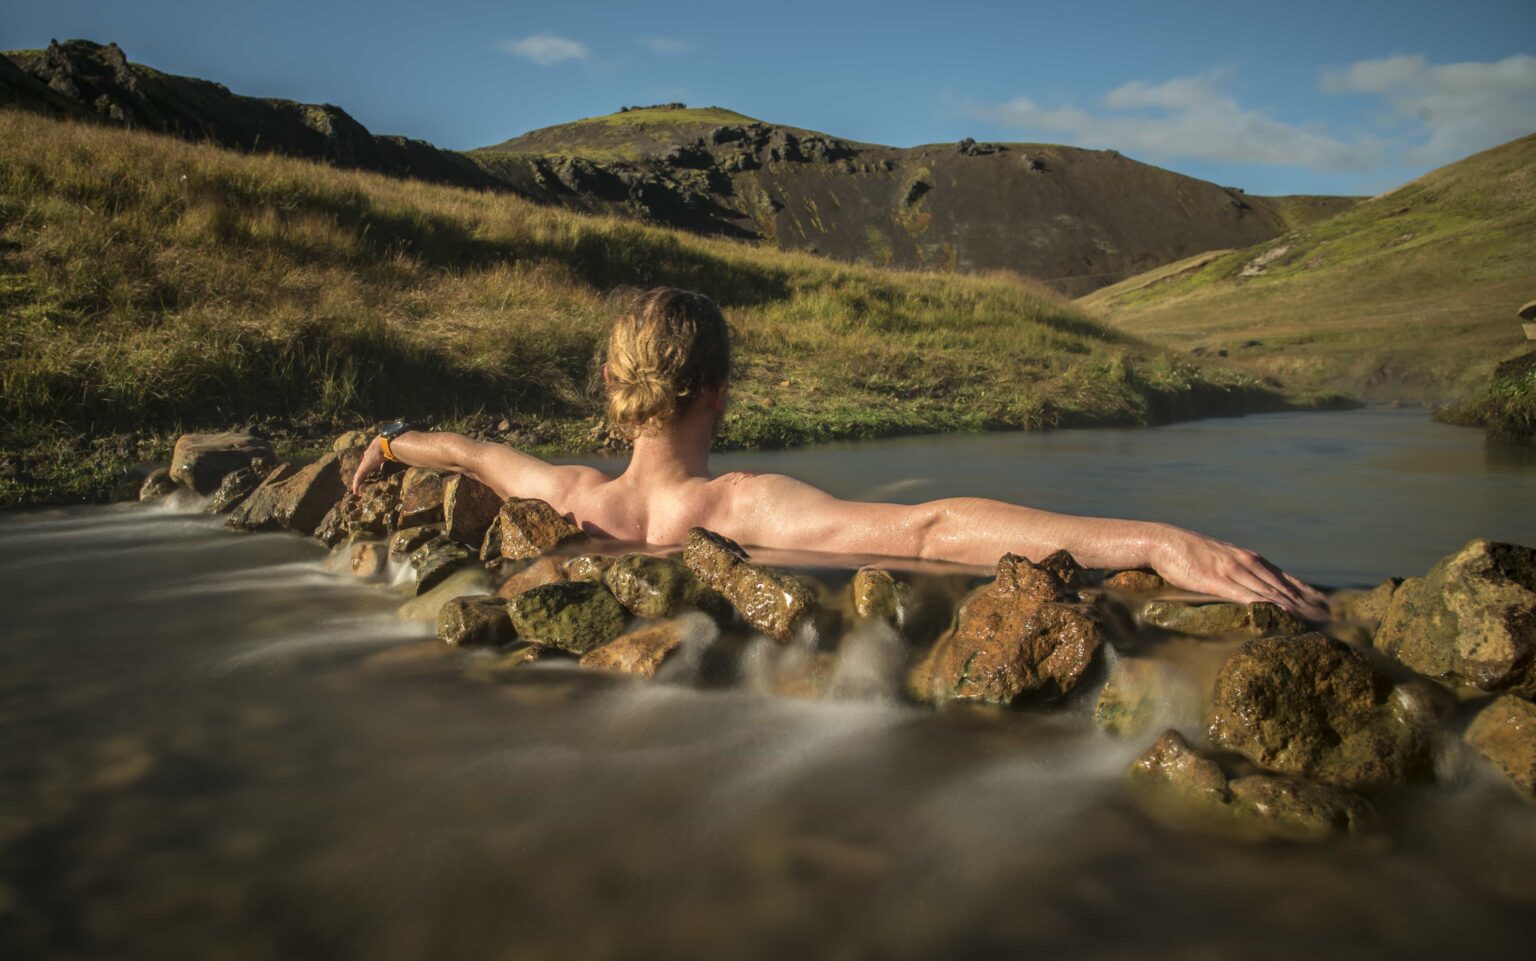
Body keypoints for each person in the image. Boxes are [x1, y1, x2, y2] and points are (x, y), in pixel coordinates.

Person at [351, 287, 1328, 619]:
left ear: (612, 389)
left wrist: (388, 444)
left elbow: (475, 454)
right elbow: (932, 529)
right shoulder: (740, 507)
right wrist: (1156, 540)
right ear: (721, 392)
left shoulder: (569, 494)